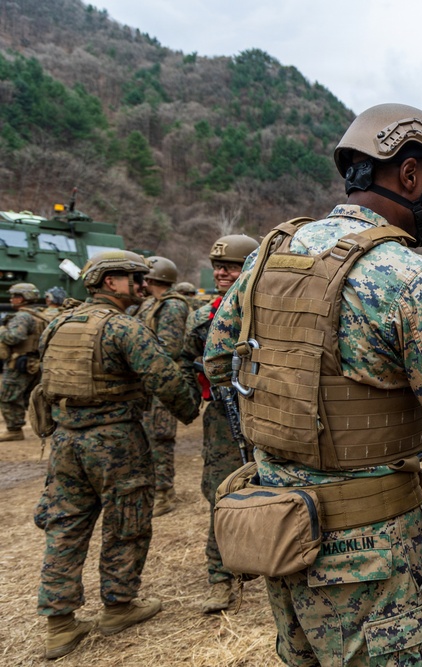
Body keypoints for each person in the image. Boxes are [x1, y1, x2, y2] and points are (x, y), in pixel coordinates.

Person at [202, 103, 422, 666]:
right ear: (409, 175)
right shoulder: (408, 277)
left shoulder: (267, 256)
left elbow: (220, 362)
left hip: (280, 536)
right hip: (375, 560)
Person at [34, 250, 201, 660]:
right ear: (110, 282)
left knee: (65, 526)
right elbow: (166, 380)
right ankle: (119, 606)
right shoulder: (124, 328)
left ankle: (59, 625)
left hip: (66, 441)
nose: (143, 286)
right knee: (126, 521)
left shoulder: (57, 324)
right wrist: (191, 405)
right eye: (134, 279)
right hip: (116, 442)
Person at [183, 233, 259, 613]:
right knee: (221, 493)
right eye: (217, 265)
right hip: (221, 416)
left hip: (267, 412)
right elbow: (183, 362)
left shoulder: (266, 307)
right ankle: (221, 577)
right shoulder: (201, 318)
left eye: (229, 265)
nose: (221, 272)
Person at [135, 256, 191, 517]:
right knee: (145, 438)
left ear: (152, 279)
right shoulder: (149, 305)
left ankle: (164, 492)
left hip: (161, 383)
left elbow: (169, 348)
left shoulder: (172, 306)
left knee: (160, 439)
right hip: (146, 383)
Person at [0, 283, 53, 441]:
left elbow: (14, 337)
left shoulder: (23, 316)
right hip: (36, 363)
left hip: (19, 363)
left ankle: (14, 429)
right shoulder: (40, 315)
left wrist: (2, 331)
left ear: (26, 298)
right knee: (33, 397)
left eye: (17, 296)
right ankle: (46, 427)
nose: (12, 299)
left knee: (7, 396)